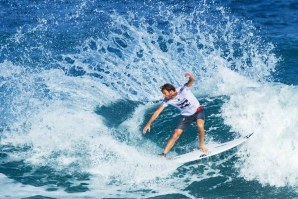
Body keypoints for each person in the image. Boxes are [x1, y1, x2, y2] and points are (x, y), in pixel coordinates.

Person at [143, 72, 208, 157]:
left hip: (197, 111)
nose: (164, 96)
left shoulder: (182, 90)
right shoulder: (167, 100)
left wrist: (190, 77)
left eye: (165, 93)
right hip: (186, 115)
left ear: (171, 91)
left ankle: (201, 145)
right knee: (176, 134)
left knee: (200, 126)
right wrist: (148, 124)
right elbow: (157, 111)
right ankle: (164, 154)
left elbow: (191, 81)